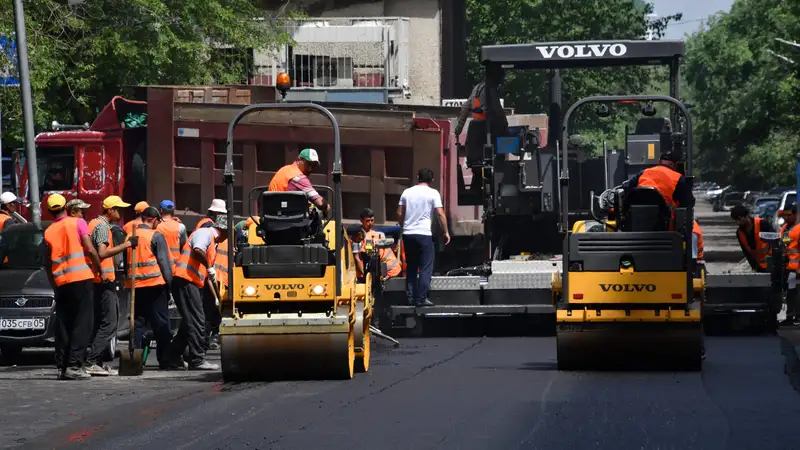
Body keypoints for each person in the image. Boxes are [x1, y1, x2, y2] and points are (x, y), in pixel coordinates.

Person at [42, 194, 102, 380]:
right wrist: (100, 269)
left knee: (64, 325)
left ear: (50, 210)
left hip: (62, 283)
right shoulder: (77, 223)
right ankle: (74, 366)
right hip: (81, 278)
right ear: (66, 207)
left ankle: (62, 366)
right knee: (82, 323)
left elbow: (48, 264)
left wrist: (55, 286)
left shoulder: (49, 231)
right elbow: (90, 248)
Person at [84, 195, 136, 376]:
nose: (121, 213)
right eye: (119, 209)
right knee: (110, 323)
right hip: (102, 281)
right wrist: (128, 244)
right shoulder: (102, 227)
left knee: (100, 322)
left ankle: (95, 361)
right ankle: (91, 362)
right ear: (111, 210)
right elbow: (103, 252)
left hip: (98, 279)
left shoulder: (94, 224)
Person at [169, 214, 228, 370]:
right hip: (185, 280)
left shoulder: (214, 243)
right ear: (223, 230)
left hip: (191, 282)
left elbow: (208, 275)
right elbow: (197, 249)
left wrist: (216, 297)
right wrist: (209, 265)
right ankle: (197, 360)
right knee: (197, 319)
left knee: (190, 321)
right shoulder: (205, 233)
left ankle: (172, 356)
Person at [125, 207, 179, 369]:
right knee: (161, 323)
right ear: (153, 220)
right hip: (155, 286)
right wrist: (170, 285)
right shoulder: (155, 236)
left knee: (138, 324)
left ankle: (136, 359)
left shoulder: (130, 236)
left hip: (136, 287)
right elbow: (164, 263)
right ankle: (165, 359)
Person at [397, 168, 450, 307]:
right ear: (431, 180)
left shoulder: (407, 192)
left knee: (411, 267)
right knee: (426, 267)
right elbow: (440, 214)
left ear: (417, 177)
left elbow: (399, 213)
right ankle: (421, 299)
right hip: (424, 234)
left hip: (408, 234)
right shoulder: (433, 193)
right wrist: (446, 232)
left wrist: (403, 227)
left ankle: (410, 298)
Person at [622, 150, 695, 211]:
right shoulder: (678, 178)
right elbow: (688, 202)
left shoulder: (644, 172)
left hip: (635, 219)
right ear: (673, 165)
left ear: (659, 162)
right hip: (665, 223)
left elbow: (627, 187)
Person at [268, 148, 331, 217]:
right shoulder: (299, 178)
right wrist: (326, 207)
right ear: (299, 160)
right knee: (317, 212)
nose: (310, 169)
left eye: (313, 166)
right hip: (286, 220)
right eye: (308, 164)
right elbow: (320, 203)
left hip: (272, 217)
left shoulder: (284, 170)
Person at [454, 65, 509, 141]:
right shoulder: (491, 89)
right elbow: (498, 111)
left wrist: (458, 128)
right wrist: (506, 126)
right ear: (496, 76)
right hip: (487, 129)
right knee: (506, 143)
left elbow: (465, 107)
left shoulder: (477, 88)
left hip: (474, 128)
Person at [352, 208, 401, 281]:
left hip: (389, 271)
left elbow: (371, 256)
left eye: (372, 220)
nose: (370, 223)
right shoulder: (360, 236)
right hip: (381, 272)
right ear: (361, 221)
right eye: (367, 221)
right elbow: (360, 258)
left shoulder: (373, 235)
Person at [732, 204, 774, 273]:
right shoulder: (739, 233)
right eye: (735, 220)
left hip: (771, 265)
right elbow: (746, 252)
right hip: (759, 267)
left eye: (739, 219)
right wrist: (754, 267)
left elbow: (775, 242)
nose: (737, 222)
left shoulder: (762, 224)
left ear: (746, 216)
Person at [781, 203, 800, 326]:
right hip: (789, 269)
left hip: (797, 270)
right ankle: (790, 317)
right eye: (784, 215)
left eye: (789, 215)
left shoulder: (798, 229)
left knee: (796, 293)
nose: (786, 218)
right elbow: (785, 246)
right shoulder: (785, 228)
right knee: (791, 292)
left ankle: (796, 317)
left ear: (795, 215)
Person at [156, 200, 187, 267]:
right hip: (175, 265)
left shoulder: (156, 226)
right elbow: (184, 244)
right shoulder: (181, 226)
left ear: (161, 210)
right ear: (173, 211)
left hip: (159, 264)